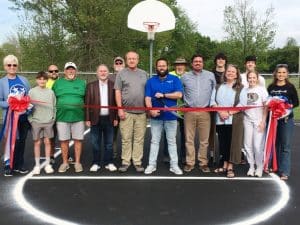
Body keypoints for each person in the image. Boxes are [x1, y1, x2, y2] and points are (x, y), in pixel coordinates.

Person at [144, 58, 183, 175]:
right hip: (156, 117)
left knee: (171, 141)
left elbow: (179, 94)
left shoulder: (175, 79)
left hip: (170, 117)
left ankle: (174, 165)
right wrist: (151, 110)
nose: (161, 67)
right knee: (154, 141)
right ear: (156, 68)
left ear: (167, 67)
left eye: (164, 65)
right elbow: (147, 98)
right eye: (159, 66)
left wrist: (164, 95)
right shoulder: (151, 81)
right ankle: (151, 165)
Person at [210, 64, 247, 178]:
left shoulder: (241, 88)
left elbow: (242, 104)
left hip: (234, 120)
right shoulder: (218, 86)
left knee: (232, 143)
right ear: (225, 73)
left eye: (233, 72)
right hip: (220, 120)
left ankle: (230, 167)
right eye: (228, 71)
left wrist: (228, 113)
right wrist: (221, 112)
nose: (230, 73)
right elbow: (212, 101)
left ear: (236, 74)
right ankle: (224, 165)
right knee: (223, 142)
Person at [181, 54, 216, 173]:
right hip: (189, 111)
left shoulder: (210, 75)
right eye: (195, 61)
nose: (198, 63)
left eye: (200, 61)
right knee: (189, 139)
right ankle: (190, 163)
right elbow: (181, 92)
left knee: (204, 140)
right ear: (192, 64)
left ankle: (203, 162)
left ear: (203, 63)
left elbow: (214, 91)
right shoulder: (185, 76)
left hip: (205, 111)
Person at [114, 51, 147, 173]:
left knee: (139, 139)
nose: (132, 60)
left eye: (134, 58)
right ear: (126, 60)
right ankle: (126, 161)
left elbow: (147, 92)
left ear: (138, 60)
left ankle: (137, 162)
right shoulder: (121, 74)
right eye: (129, 58)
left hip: (142, 113)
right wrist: (120, 108)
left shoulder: (144, 74)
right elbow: (117, 91)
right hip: (126, 112)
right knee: (126, 138)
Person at [52, 62, 86, 173]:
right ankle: (65, 162)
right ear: (65, 71)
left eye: (73, 69)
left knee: (78, 140)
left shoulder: (82, 83)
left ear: (76, 71)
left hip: (78, 117)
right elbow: (51, 99)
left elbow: (87, 99)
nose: (70, 71)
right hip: (62, 117)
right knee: (64, 141)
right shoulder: (57, 83)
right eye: (68, 69)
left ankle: (77, 162)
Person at [0, 55, 31, 176]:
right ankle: (8, 164)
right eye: (9, 65)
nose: (12, 67)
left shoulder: (24, 80)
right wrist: (10, 103)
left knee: (22, 141)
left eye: (14, 65)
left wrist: (26, 108)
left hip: (23, 117)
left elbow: (28, 97)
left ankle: (19, 164)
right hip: (10, 118)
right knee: (10, 141)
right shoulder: (2, 82)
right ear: (5, 67)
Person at [267, 64, 299, 180]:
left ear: (287, 74)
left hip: (286, 120)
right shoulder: (271, 87)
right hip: (273, 120)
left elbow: (296, 102)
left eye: (283, 72)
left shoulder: (290, 87)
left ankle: (284, 170)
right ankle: (274, 166)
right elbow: (267, 102)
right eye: (279, 72)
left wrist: (285, 107)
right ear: (275, 74)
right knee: (274, 144)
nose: (281, 75)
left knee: (285, 145)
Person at [85, 64, 118, 172]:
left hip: (109, 118)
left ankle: (109, 162)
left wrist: (116, 117)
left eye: (105, 71)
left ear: (108, 73)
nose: (103, 73)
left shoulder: (114, 85)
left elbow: (116, 104)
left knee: (109, 143)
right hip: (95, 118)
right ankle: (96, 163)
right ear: (97, 73)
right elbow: (87, 103)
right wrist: (87, 118)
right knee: (95, 143)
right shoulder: (90, 86)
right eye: (101, 71)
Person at [28, 71, 56, 175]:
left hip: (48, 121)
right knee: (37, 143)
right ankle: (37, 165)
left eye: (44, 79)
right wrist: (31, 119)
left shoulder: (50, 92)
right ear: (37, 80)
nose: (42, 81)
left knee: (48, 142)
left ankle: (48, 164)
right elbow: (28, 107)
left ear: (47, 80)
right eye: (40, 79)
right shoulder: (31, 92)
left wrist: (53, 118)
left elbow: (54, 106)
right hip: (36, 121)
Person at [243, 71, 268, 177]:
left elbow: (265, 107)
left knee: (257, 146)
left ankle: (259, 166)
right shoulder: (244, 90)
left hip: (259, 121)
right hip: (247, 120)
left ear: (257, 78)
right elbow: (242, 105)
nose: (252, 79)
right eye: (250, 78)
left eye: (254, 77)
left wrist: (263, 121)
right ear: (247, 79)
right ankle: (251, 167)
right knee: (247, 145)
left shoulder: (262, 90)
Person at [109, 56, 125, 159]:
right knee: (112, 135)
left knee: (126, 136)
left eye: (120, 63)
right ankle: (112, 154)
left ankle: (126, 156)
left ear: (124, 64)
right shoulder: (109, 78)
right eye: (116, 63)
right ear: (114, 65)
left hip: (126, 110)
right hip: (113, 111)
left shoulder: (128, 76)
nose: (118, 65)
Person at [46, 64, 60, 164]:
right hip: (50, 113)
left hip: (62, 113)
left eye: (55, 70)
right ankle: (51, 155)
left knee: (65, 136)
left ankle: (66, 154)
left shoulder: (62, 82)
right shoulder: (45, 83)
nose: (54, 72)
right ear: (48, 73)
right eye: (51, 71)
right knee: (51, 136)